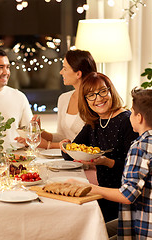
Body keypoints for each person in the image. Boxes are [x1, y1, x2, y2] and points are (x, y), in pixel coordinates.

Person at [72, 88, 152, 239]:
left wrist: (89, 188)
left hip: (148, 232)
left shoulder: (139, 148)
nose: (129, 115)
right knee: (99, 228)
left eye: (132, 112)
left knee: (90, 233)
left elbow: (127, 195)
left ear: (139, 117)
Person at [60, 72, 139, 222]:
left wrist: (106, 162)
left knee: (80, 219)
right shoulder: (94, 123)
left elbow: (135, 170)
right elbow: (70, 154)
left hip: (124, 198)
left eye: (102, 91)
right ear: (86, 100)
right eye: (91, 95)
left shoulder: (127, 121)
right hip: (104, 193)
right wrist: (65, 146)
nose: (98, 98)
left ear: (111, 91)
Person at [17, 49, 97, 149]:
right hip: (65, 160)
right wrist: (38, 132)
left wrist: (47, 145)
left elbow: (88, 145)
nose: (60, 72)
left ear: (78, 74)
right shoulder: (64, 98)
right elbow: (62, 137)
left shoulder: (95, 101)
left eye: (65, 68)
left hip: (84, 161)